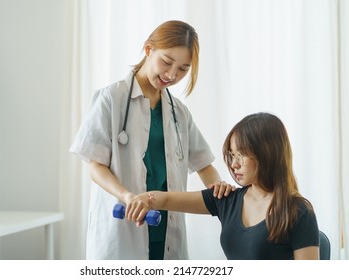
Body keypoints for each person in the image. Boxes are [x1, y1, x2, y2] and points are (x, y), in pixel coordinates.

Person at [69, 20, 233, 260]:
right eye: (167, 62)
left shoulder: (178, 111)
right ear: (148, 49)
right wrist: (127, 196)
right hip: (124, 225)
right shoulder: (111, 99)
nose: (171, 75)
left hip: (166, 227)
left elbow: (203, 164)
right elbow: (96, 167)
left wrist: (218, 190)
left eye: (183, 69)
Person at [127, 112, 320, 260]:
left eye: (241, 155)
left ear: (267, 153)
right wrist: (144, 200)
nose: (234, 164)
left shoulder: (298, 212)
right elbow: (167, 198)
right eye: (231, 155)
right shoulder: (228, 199)